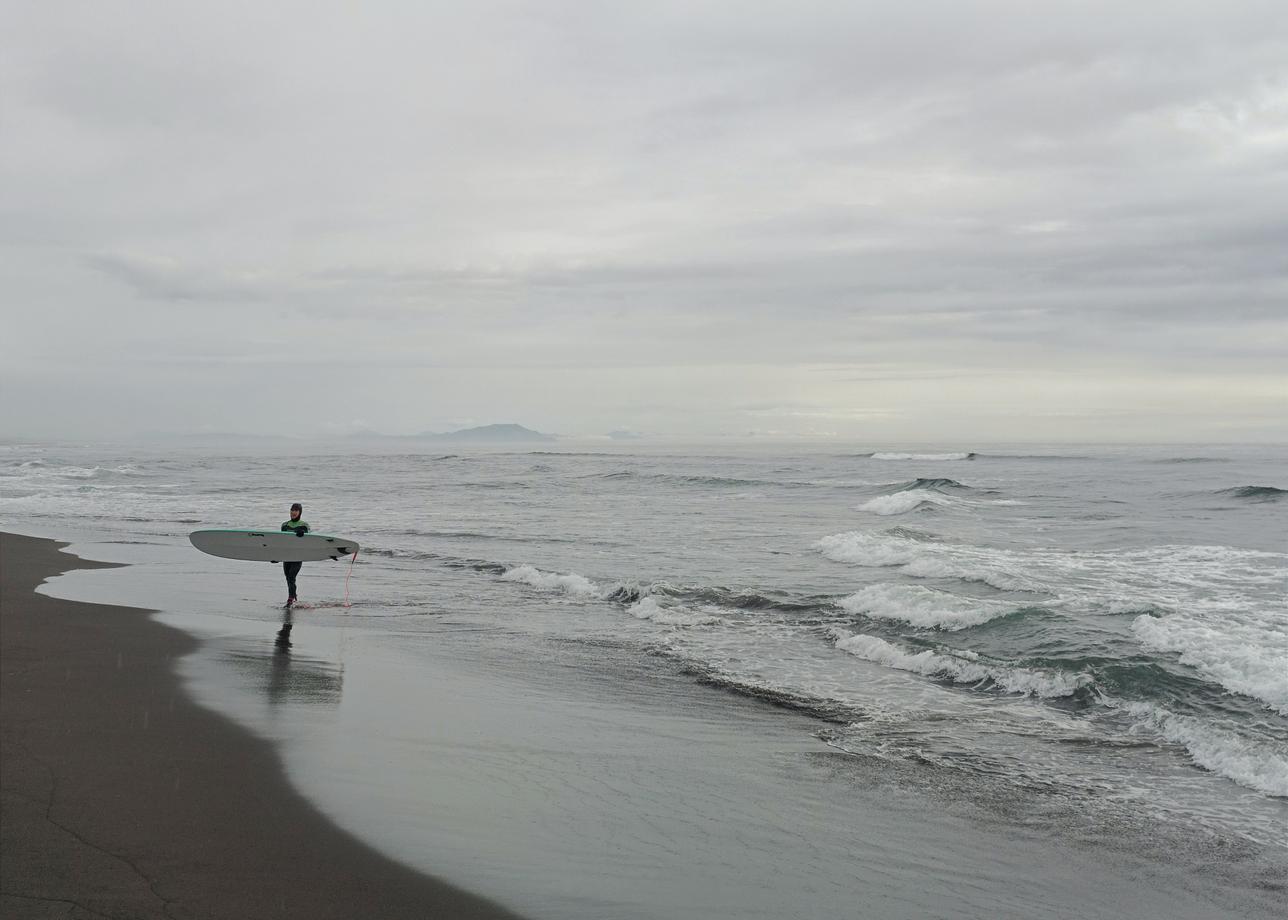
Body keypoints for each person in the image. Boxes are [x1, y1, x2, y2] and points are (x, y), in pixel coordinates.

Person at [281, 502, 309, 606]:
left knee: (292, 576)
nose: (293, 512)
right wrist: (274, 556)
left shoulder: (304, 525)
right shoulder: (284, 525)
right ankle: (293, 596)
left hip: (298, 555)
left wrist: (304, 533)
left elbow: (311, 540)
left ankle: (290, 599)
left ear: (300, 512)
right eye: (292, 510)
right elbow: (280, 542)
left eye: (296, 510)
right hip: (287, 555)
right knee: (288, 577)